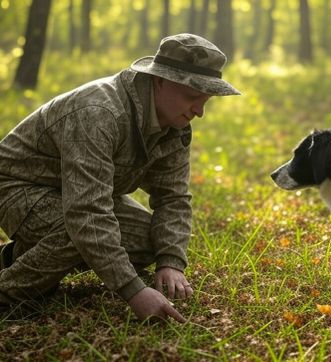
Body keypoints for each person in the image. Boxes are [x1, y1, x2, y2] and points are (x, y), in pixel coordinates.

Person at [0, 33, 240, 322]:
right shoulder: (99, 112)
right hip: (15, 186)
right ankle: (9, 293)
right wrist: (134, 291)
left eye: (207, 100)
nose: (199, 111)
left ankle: (14, 258)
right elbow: (86, 213)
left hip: (75, 194)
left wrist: (171, 262)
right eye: (192, 97)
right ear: (160, 80)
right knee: (79, 230)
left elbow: (173, 197)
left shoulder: (175, 125)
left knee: (147, 240)